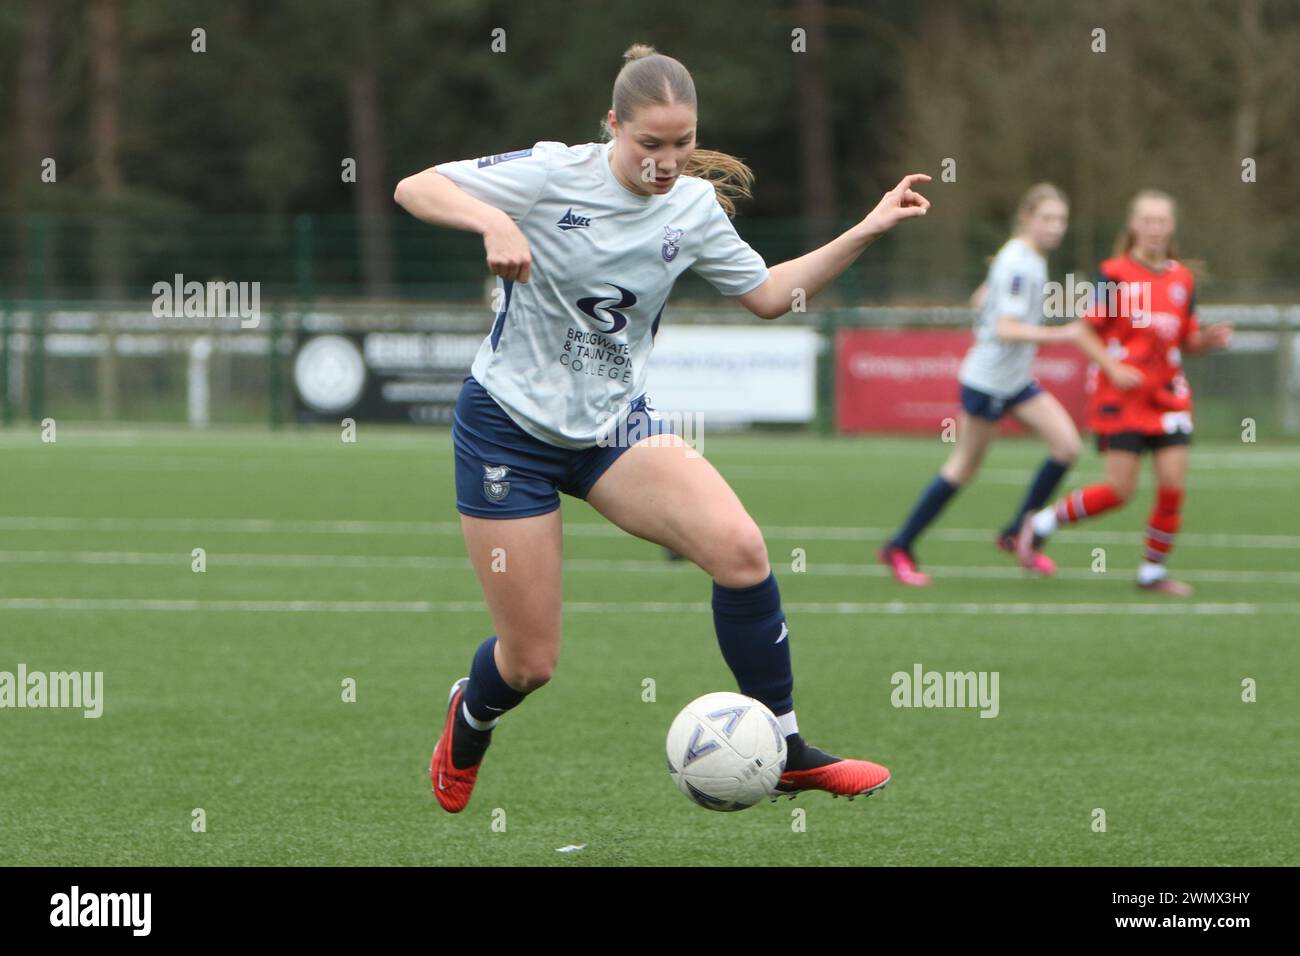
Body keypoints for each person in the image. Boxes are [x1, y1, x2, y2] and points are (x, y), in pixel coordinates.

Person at [393, 43, 931, 813]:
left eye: (682, 144)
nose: (667, 162)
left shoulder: (693, 207)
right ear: (613, 125)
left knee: (741, 551)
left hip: (614, 430)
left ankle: (784, 748)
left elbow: (771, 295)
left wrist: (868, 227)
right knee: (531, 662)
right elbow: (415, 186)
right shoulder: (554, 173)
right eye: (650, 144)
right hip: (507, 431)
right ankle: (470, 716)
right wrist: (492, 224)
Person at [880, 184, 1102, 586]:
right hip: (987, 383)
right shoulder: (1019, 262)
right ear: (1026, 218)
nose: (1055, 227)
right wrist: (1065, 334)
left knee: (1067, 446)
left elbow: (980, 299)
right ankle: (899, 545)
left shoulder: (1021, 258)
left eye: (1061, 220)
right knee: (964, 467)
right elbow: (1006, 327)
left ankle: (1019, 531)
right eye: (1047, 218)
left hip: (1014, 381)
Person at [1019, 189, 1233, 594]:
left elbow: (1185, 341)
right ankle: (1043, 522)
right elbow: (1085, 331)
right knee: (1119, 491)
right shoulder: (1114, 273)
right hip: (1120, 398)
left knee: (1172, 485)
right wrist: (1113, 368)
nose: (1154, 229)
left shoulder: (1182, 279)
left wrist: (1207, 341)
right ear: (1134, 226)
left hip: (1168, 395)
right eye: (1147, 221)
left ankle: (1151, 573)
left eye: (1162, 221)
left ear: (1172, 227)